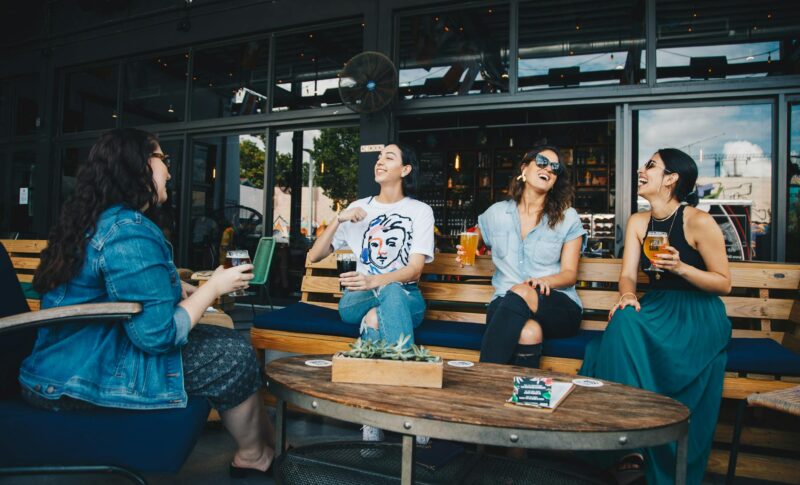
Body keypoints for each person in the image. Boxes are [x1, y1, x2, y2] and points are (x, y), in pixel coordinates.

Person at [20, 128, 275, 478]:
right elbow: (157, 335)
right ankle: (253, 454)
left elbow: (115, 292)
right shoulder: (128, 230)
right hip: (75, 379)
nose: (169, 171)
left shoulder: (100, 220)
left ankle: (263, 446)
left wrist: (179, 286)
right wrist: (213, 287)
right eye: (163, 160)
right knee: (233, 355)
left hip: (64, 363)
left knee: (226, 343)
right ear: (138, 165)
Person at [580, 149, 732, 485]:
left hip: (697, 314)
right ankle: (625, 447)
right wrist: (629, 295)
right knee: (622, 320)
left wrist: (682, 267)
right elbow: (628, 275)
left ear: (672, 178)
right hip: (657, 305)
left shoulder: (698, 221)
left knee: (611, 340)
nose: (640, 170)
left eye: (650, 165)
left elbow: (723, 283)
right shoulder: (639, 221)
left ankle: (644, 445)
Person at [307, 143, 434, 445]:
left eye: (389, 157)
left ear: (405, 170)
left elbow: (415, 270)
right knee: (380, 296)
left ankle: (372, 415)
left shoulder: (419, 212)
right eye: (378, 157)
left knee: (378, 315)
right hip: (356, 299)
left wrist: (377, 280)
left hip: (405, 297)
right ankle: (410, 405)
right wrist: (339, 217)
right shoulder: (358, 208)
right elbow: (314, 255)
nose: (380, 162)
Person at [460, 145, 586, 369]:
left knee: (521, 290)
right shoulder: (496, 213)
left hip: (555, 304)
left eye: (555, 168)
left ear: (555, 180)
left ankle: (481, 378)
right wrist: (469, 248)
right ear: (524, 168)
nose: (548, 168)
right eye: (541, 161)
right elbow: (474, 237)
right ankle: (521, 398)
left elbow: (569, 275)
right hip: (505, 304)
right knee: (529, 332)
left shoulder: (568, 218)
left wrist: (544, 281)